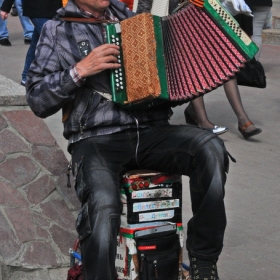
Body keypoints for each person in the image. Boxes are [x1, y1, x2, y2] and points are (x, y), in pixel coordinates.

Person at [26, 0, 231, 279]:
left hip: (151, 131)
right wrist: (80, 71)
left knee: (210, 148)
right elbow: (37, 99)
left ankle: (204, 261)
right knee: (103, 201)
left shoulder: (138, 21)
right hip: (96, 137)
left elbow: (171, 78)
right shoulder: (57, 30)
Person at [184, 0, 262, 140]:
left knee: (227, 67)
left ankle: (242, 119)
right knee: (193, 67)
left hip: (210, 17)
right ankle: (201, 119)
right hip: (187, 17)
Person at [0, 0, 63, 85]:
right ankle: (61, 80)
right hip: (36, 9)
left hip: (54, 9)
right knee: (54, 43)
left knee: (35, 44)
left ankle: (26, 78)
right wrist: (5, 7)